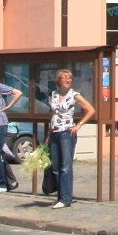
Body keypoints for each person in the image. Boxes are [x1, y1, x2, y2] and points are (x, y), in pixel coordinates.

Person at [46, 68, 88, 208]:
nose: (67, 80)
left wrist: (79, 125)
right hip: (55, 132)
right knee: (56, 167)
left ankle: (65, 199)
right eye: (64, 78)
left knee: (65, 166)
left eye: (69, 78)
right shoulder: (54, 94)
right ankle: (60, 196)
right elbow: (52, 114)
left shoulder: (74, 95)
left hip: (67, 133)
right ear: (59, 80)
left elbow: (90, 109)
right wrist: (49, 133)